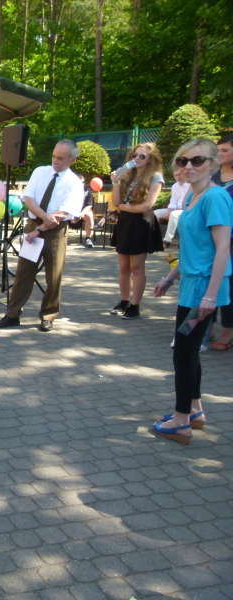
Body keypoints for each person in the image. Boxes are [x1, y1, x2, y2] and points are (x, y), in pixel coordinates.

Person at [152, 138, 233, 444]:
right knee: (188, 351)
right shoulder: (191, 196)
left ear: (213, 164)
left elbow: (223, 248)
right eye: (182, 160)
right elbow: (190, 247)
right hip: (190, 286)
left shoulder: (215, 197)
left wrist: (210, 296)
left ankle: (181, 422)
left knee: (184, 353)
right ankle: (194, 411)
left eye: (197, 160)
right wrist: (170, 277)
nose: (188, 166)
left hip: (203, 290)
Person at [0, 140, 84, 332]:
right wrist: (43, 218)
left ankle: (48, 316)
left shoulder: (74, 183)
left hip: (56, 232)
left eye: (61, 158)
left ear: (72, 160)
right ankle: (12, 315)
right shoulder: (40, 172)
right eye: (54, 156)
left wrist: (41, 228)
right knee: (23, 273)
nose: (55, 161)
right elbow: (28, 198)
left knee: (54, 277)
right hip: (34, 224)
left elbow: (63, 213)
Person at [109, 143, 165, 320]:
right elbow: (116, 202)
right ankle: (124, 301)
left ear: (150, 159)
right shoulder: (127, 174)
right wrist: (116, 182)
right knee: (124, 267)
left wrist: (124, 207)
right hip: (125, 222)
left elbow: (146, 206)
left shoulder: (155, 177)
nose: (137, 158)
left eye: (142, 156)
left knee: (137, 267)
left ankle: (135, 306)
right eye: (135, 155)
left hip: (141, 223)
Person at [210, 134, 233, 351]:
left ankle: (228, 331)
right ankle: (205, 327)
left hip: (229, 240)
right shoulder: (212, 176)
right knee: (206, 282)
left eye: (225, 150)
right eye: (218, 150)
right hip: (209, 239)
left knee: (229, 285)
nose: (220, 154)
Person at [154, 168, 189, 248]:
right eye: (175, 175)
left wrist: (173, 211)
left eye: (179, 174)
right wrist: (169, 211)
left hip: (186, 210)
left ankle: (167, 240)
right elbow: (173, 201)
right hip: (175, 209)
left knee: (173, 214)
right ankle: (154, 237)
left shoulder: (190, 185)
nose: (178, 177)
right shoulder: (174, 186)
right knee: (155, 213)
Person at [68, 174, 95, 248]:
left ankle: (88, 239)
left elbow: (88, 206)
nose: (81, 184)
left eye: (82, 182)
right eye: (79, 182)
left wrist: (80, 214)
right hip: (71, 211)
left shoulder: (87, 191)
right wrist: (73, 214)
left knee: (89, 215)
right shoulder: (69, 190)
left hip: (83, 212)